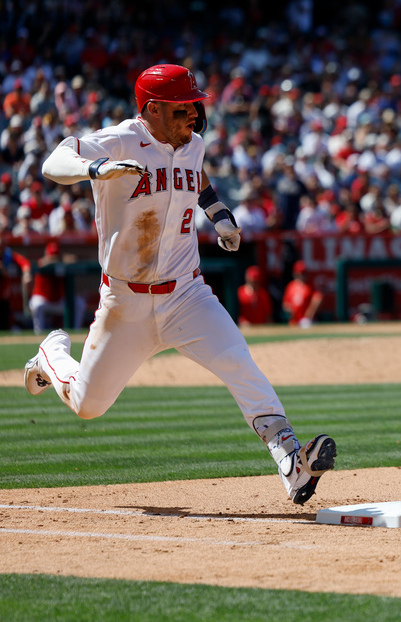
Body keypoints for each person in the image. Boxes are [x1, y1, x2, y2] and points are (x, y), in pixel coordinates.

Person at [23, 63, 336, 505]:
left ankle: (291, 461)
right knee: (88, 404)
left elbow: (198, 176)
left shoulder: (193, 144)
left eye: (194, 106)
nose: (193, 115)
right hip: (126, 303)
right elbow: (54, 162)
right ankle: (52, 353)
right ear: (152, 109)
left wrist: (219, 213)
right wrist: (97, 168)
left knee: (238, 362)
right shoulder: (120, 140)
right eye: (182, 108)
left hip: (187, 294)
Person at [282, 260, 322, 328]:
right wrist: (289, 311)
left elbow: (318, 298)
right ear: (295, 273)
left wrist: (309, 315)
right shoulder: (291, 286)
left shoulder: (310, 286)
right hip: (294, 321)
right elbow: (285, 304)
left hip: (306, 321)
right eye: (300, 273)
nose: (302, 275)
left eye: (304, 273)